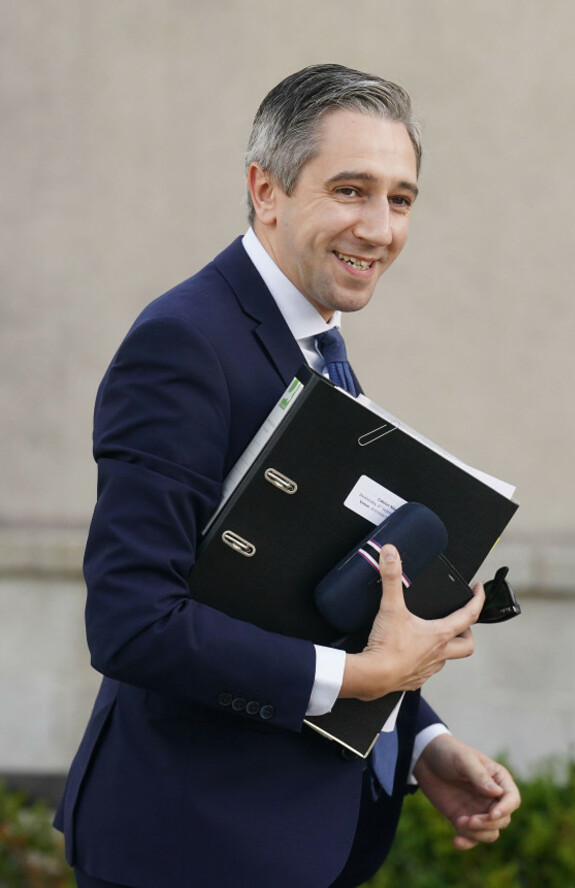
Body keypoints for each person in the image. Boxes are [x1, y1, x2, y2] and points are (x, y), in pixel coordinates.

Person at [55, 63, 520, 888]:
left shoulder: (314, 342)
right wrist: (366, 676)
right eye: (351, 190)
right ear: (264, 190)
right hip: (190, 848)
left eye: (401, 199)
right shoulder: (185, 345)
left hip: (294, 843)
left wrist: (421, 741)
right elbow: (131, 622)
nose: (379, 228)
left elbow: (290, 588)